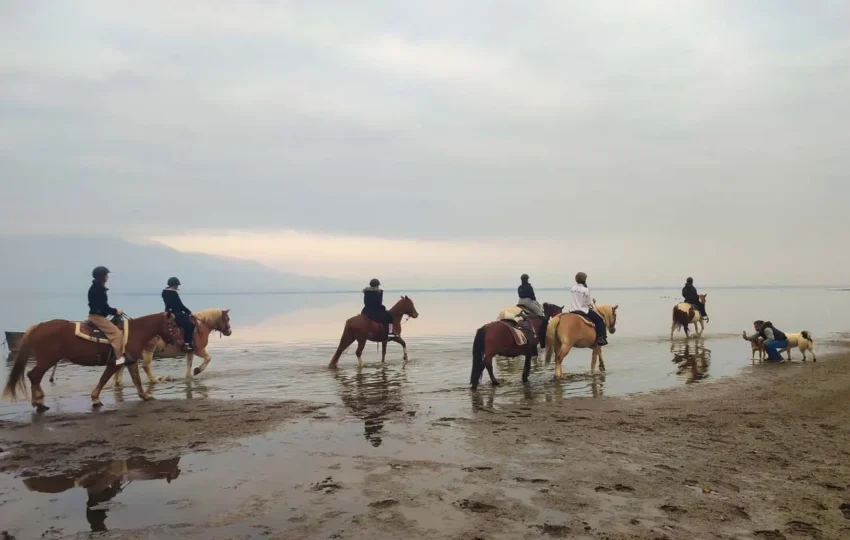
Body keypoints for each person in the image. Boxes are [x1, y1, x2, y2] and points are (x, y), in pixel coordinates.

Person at [87, 266, 130, 365]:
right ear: (102, 276)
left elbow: (103, 306)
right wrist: (116, 311)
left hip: (96, 315)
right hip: (97, 317)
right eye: (106, 275)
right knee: (117, 334)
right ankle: (119, 358)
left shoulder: (97, 287)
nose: (108, 277)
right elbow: (103, 307)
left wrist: (114, 311)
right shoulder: (98, 289)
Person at [568, 272, 607, 346]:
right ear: (584, 280)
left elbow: (578, 298)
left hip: (572, 311)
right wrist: (593, 301)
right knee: (600, 320)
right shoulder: (586, 290)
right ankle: (600, 338)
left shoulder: (572, 288)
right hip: (583, 311)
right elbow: (589, 303)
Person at [162, 277, 194, 350]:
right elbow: (180, 305)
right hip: (175, 313)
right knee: (190, 325)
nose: (177, 287)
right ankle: (187, 344)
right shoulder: (173, 293)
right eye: (177, 285)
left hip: (167, 312)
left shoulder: (164, 292)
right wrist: (189, 312)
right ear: (174, 285)